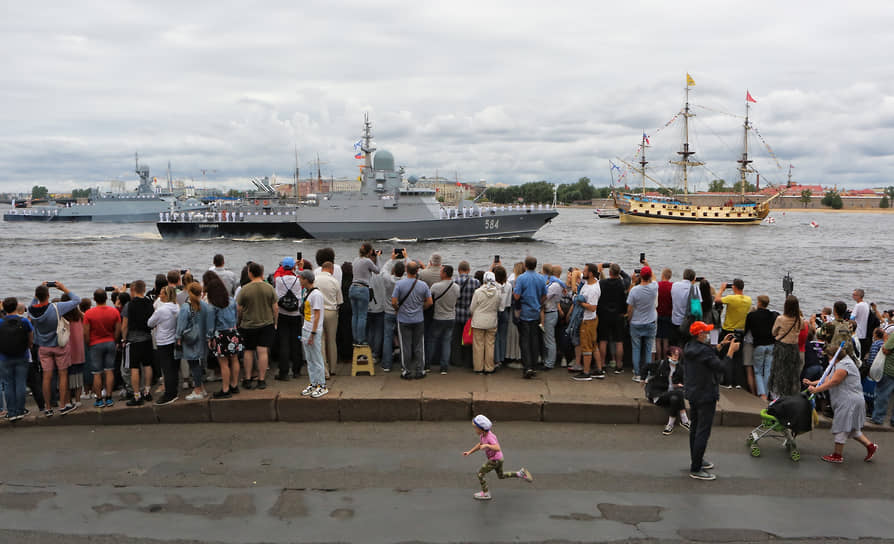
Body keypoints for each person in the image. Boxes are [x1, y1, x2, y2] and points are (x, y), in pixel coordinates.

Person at [684, 320, 740, 481]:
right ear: (700, 334)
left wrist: (722, 344)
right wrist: (731, 351)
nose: (708, 335)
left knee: (695, 428)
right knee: (703, 431)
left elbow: (707, 354)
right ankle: (696, 468)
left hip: (693, 392)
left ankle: (696, 459)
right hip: (706, 394)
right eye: (706, 332)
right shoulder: (704, 351)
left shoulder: (689, 347)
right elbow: (721, 367)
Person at [804, 351, 878, 464]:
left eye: (829, 356)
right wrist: (813, 383)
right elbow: (827, 378)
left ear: (835, 357)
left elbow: (834, 381)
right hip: (849, 400)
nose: (828, 359)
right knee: (852, 429)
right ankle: (870, 446)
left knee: (841, 427)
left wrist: (816, 390)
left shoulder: (844, 365)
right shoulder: (839, 364)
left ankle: (837, 455)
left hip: (849, 401)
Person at [28, 282, 81, 416]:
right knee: (63, 375)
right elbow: (76, 300)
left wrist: (38, 292)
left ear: (37, 296)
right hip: (59, 345)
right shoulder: (56, 307)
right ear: (48, 295)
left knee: (46, 377)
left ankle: (48, 408)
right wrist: (63, 288)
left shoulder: (31, 310)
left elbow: (33, 303)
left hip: (43, 347)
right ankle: (63, 406)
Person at [462, 414, 533, 501]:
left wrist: (487, 445)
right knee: (501, 476)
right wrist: (469, 452)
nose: (475, 430)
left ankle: (486, 493)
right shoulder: (482, 435)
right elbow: (480, 445)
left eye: (476, 428)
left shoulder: (489, 437)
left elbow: (497, 448)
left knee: (480, 473)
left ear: (482, 429)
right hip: (499, 459)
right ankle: (520, 473)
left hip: (495, 460)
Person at [237, 262, 277, 390]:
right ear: (261, 273)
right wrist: (275, 321)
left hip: (248, 324)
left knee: (248, 351)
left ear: (250, 273)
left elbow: (239, 308)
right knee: (263, 351)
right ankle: (261, 379)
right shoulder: (269, 288)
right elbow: (275, 307)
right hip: (266, 323)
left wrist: (239, 321)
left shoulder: (245, 289)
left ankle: (248, 379)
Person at [391, 261, 432, 379]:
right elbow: (429, 302)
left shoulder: (399, 284)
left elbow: (393, 301)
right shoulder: (423, 285)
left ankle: (406, 370)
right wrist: (421, 308)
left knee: (405, 346)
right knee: (419, 345)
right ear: (417, 271)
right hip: (419, 318)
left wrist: (398, 309)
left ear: (406, 270)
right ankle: (420, 370)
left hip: (403, 319)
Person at [205, 274, 242, 398]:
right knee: (235, 359)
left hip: (220, 334)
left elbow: (210, 324)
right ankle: (234, 385)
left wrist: (209, 338)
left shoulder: (212, 306)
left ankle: (225, 390)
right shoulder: (231, 301)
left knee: (224, 363)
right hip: (233, 332)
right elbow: (237, 316)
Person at [176, 282, 214, 401]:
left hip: (190, 340)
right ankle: (201, 388)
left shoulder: (186, 307)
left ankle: (197, 389)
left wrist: (178, 338)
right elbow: (210, 323)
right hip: (202, 339)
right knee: (199, 364)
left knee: (193, 364)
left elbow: (181, 326)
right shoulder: (206, 306)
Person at [641, 346, 689, 435]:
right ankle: (684, 420)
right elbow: (646, 367)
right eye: (673, 355)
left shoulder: (680, 369)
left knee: (675, 398)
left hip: (671, 395)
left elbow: (684, 383)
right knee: (678, 393)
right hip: (658, 395)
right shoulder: (661, 364)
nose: (675, 357)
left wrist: (681, 386)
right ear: (668, 356)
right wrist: (643, 379)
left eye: (677, 356)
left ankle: (670, 425)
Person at [122, 280, 156, 406]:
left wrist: (123, 339)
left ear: (133, 290)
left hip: (134, 339)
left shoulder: (129, 305)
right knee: (147, 365)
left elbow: (124, 325)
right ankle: (147, 391)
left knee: (134, 368)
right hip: (147, 338)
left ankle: (137, 395)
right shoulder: (149, 303)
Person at [0, 297, 34, 421]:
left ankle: (12, 412)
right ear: (16, 307)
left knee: (8, 384)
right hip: (22, 355)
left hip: (4, 357)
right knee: (20, 383)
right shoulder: (24, 321)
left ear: (4, 308)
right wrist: (29, 346)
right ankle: (20, 410)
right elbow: (31, 337)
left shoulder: (0, 321)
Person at [714, 279, 751, 388]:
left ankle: (726, 381)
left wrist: (721, 289)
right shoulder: (748, 300)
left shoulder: (731, 298)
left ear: (734, 287)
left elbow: (717, 300)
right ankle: (737, 383)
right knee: (737, 358)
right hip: (741, 331)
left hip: (728, 330)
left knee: (726, 356)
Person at [513, 256, 546, 379]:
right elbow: (544, 296)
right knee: (534, 340)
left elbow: (516, 296)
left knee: (524, 341)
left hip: (524, 313)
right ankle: (534, 364)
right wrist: (538, 303)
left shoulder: (521, 278)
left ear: (525, 265)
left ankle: (527, 367)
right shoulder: (541, 278)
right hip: (535, 312)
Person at [768, 295, 807, 400]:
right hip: (794, 348)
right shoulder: (800, 320)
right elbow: (803, 328)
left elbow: (773, 332)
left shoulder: (780, 319)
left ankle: (777, 395)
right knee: (792, 374)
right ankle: (790, 395)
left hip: (781, 347)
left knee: (779, 372)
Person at [298, 270, 328, 398]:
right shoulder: (307, 292)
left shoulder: (316, 295)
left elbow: (317, 315)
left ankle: (322, 384)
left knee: (317, 358)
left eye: (301, 278)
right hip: (306, 327)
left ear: (306, 279)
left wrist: (313, 333)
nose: (299, 279)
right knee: (309, 359)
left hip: (313, 329)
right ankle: (313, 382)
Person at [147, 286, 179, 405]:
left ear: (166, 295)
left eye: (161, 294)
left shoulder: (161, 310)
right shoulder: (176, 307)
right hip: (173, 339)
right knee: (174, 367)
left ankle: (169, 394)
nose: (160, 295)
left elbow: (150, 323)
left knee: (167, 369)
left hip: (163, 340)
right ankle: (173, 390)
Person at [626, 265, 658, 381]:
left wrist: (629, 319)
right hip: (650, 321)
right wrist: (647, 264)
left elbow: (630, 308)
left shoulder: (634, 290)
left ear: (640, 277)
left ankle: (638, 374)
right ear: (649, 276)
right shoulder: (654, 287)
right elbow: (653, 277)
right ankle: (647, 373)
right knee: (648, 350)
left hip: (636, 322)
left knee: (636, 348)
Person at [274, 257, 303, 381]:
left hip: (282, 314)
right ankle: (297, 370)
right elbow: (303, 276)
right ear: (293, 267)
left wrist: (284, 266)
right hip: (296, 315)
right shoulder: (298, 280)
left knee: (284, 343)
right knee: (296, 341)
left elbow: (277, 273)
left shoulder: (279, 280)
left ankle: (284, 372)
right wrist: (299, 267)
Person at [572, 263, 602, 381]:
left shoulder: (593, 289)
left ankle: (586, 372)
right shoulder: (589, 282)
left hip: (588, 320)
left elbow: (593, 307)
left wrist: (580, 303)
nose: (582, 273)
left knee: (586, 346)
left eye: (584, 271)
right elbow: (576, 274)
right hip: (590, 319)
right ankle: (599, 370)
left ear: (590, 273)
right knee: (594, 345)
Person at [427, 265, 459, 375]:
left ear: (445, 273)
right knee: (446, 342)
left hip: (438, 317)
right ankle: (444, 367)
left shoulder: (435, 286)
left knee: (432, 341)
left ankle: (427, 365)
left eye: (441, 271)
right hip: (451, 317)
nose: (440, 273)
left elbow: (429, 300)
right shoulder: (456, 287)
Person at [745, 295, 778, 400]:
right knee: (768, 370)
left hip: (759, 345)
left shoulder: (751, 315)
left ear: (759, 303)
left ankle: (762, 394)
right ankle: (767, 393)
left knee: (758, 371)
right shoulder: (773, 315)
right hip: (771, 345)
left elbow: (746, 331)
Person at [597, 264, 627, 374]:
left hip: (604, 314)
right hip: (618, 314)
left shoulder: (602, 283)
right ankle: (619, 365)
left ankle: (603, 364)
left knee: (603, 340)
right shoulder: (622, 283)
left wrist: (599, 271)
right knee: (619, 341)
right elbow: (624, 300)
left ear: (609, 272)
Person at [315, 261, 344, 377]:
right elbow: (340, 301)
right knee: (332, 340)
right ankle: (333, 368)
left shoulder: (315, 280)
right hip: (331, 312)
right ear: (331, 269)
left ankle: (324, 370)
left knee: (321, 341)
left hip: (318, 311)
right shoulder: (334, 281)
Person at [469, 271, 501, 374]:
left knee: (478, 345)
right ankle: (489, 367)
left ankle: (478, 368)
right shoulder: (498, 292)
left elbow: (472, 308)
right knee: (490, 345)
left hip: (478, 321)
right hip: (492, 321)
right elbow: (500, 307)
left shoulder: (478, 292)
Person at [349, 242, 380, 345]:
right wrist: (377, 258)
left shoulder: (355, 260)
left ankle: (354, 338)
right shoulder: (367, 261)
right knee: (362, 316)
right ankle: (360, 340)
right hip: (362, 289)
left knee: (355, 315)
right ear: (370, 251)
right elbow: (377, 271)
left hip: (352, 287)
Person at [452, 261, 480, 369]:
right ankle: (468, 361)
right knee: (469, 338)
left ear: (459, 270)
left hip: (457, 313)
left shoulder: (454, 282)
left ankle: (456, 360)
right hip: (470, 314)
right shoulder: (476, 282)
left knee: (456, 339)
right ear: (469, 270)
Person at [542, 266, 564, 370]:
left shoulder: (554, 285)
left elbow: (545, 297)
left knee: (549, 339)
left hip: (550, 313)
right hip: (551, 312)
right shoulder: (555, 283)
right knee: (548, 338)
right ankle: (547, 360)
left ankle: (549, 362)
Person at [870, 328, 894, 426]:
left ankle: (878, 418)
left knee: (882, 394)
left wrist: (886, 340)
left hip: (890, 369)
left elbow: (886, 349)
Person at [670, 268, 699, 347]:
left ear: (683, 276)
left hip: (675, 320)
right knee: (686, 345)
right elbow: (698, 306)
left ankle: (675, 359)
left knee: (675, 345)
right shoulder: (695, 288)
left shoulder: (675, 285)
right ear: (694, 278)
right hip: (688, 323)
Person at [493, 266, 512, 370]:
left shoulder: (493, 285)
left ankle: (496, 359)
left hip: (495, 311)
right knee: (503, 336)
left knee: (495, 336)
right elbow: (508, 301)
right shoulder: (508, 285)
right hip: (505, 310)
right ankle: (502, 357)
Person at [655, 268, 674, 361]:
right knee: (666, 340)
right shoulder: (672, 286)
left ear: (662, 275)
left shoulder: (657, 285)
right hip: (668, 314)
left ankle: (659, 360)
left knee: (658, 339)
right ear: (670, 276)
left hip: (658, 314)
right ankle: (666, 360)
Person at [851, 289, 871, 361]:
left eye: (854, 295)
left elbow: (852, 318)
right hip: (864, 333)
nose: (852, 296)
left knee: (856, 353)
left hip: (857, 332)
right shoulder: (866, 305)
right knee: (861, 353)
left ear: (859, 296)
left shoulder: (858, 305)